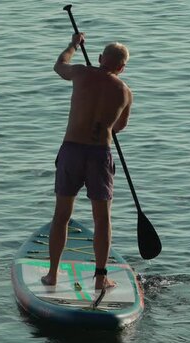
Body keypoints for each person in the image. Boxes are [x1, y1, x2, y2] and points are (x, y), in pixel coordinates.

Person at [41, 33, 132, 290]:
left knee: (62, 216)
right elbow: (119, 127)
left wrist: (72, 45)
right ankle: (101, 278)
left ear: (101, 58)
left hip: (72, 151)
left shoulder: (81, 73)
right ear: (122, 68)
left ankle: (52, 274)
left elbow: (59, 66)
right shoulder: (125, 92)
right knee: (102, 219)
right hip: (99, 154)